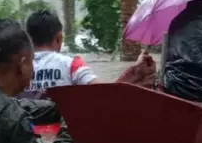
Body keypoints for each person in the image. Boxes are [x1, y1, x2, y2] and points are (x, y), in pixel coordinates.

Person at [24, 9, 155, 91]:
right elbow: (107, 91)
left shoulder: (18, 69)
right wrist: (136, 68)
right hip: (65, 130)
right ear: (58, 38)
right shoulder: (72, 65)